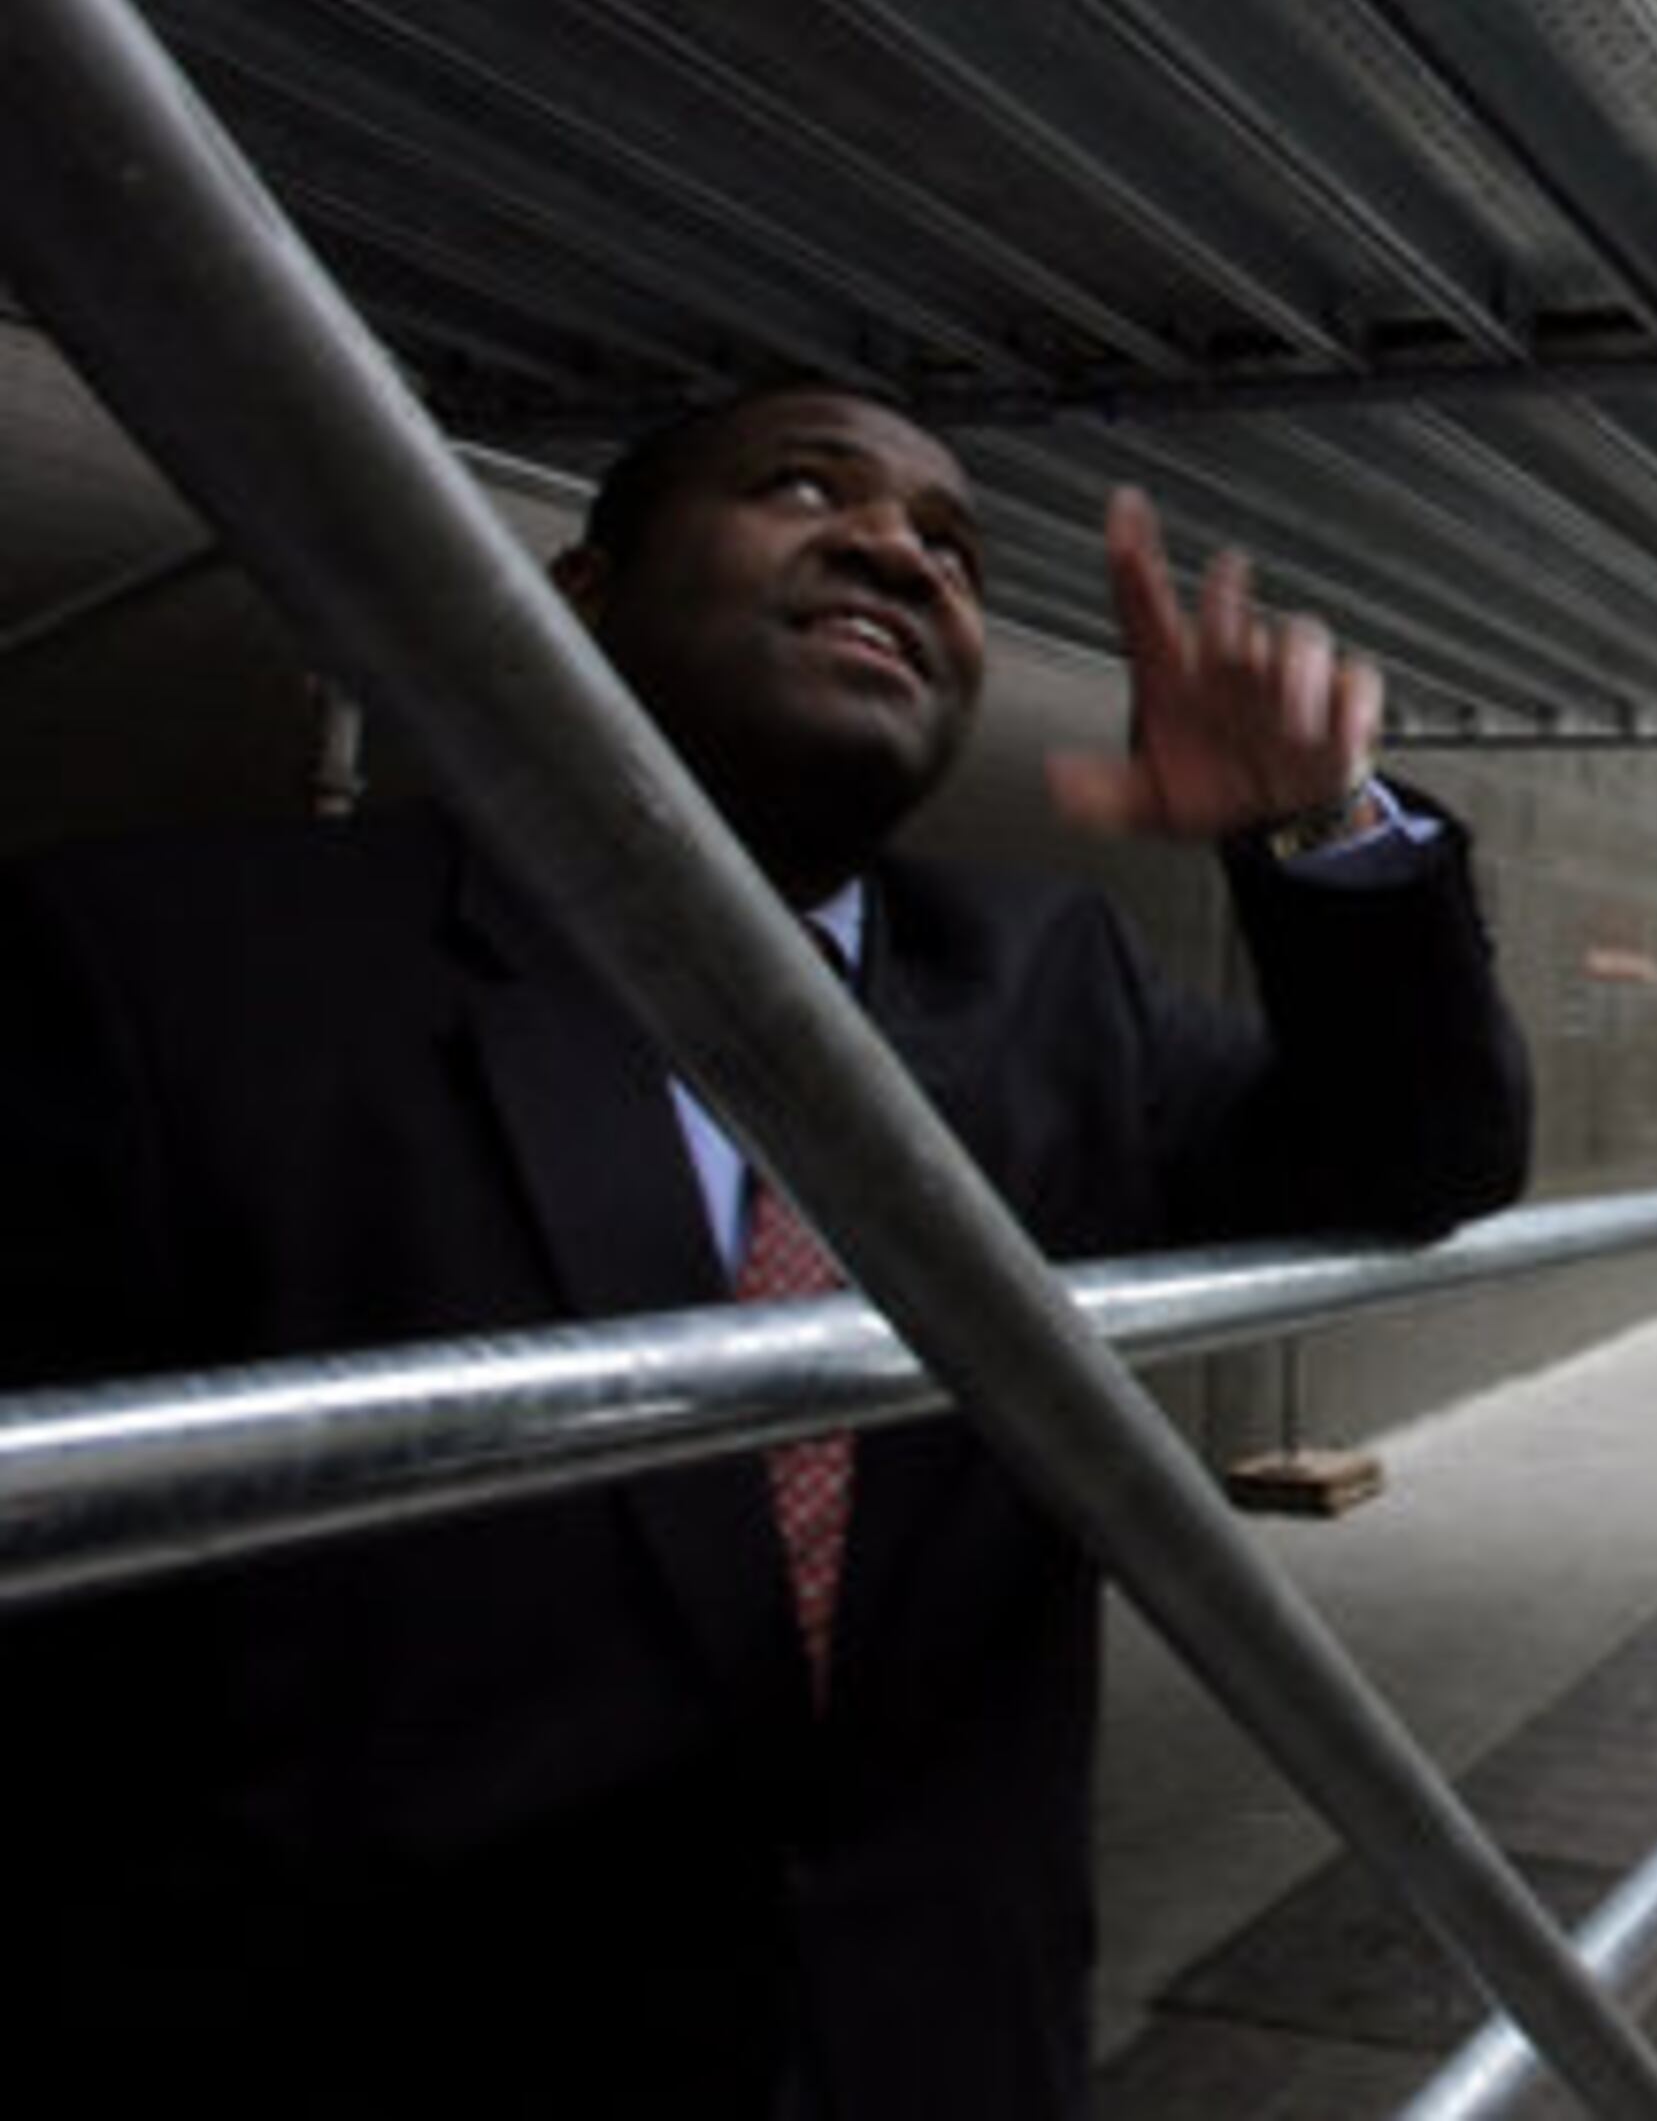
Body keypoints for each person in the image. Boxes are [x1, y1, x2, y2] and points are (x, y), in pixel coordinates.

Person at [0, 385, 1532, 2119]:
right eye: (804, 486)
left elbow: (1423, 1159)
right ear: (576, 594)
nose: (895, 544)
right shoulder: (178, 968)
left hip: (939, 2035)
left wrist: (1316, 825)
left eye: (951, 548)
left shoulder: (1053, 982)